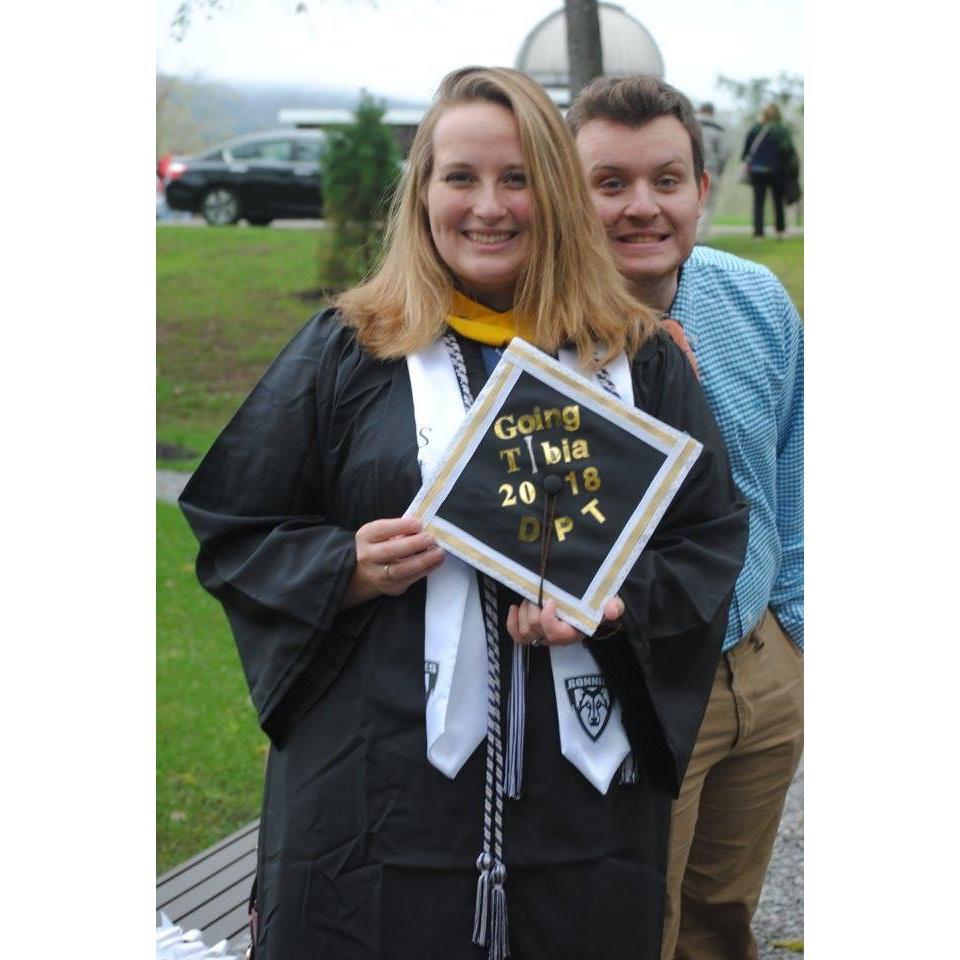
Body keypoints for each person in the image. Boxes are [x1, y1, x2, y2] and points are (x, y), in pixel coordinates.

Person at [180, 66, 748, 960]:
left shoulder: (639, 361)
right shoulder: (350, 348)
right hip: (376, 791)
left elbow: (709, 536)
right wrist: (347, 567)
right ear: (423, 193)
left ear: (555, 194)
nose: (489, 206)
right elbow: (237, 523)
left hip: (583, 800)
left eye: (517, 178)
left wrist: (621, 601)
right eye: (462, 177)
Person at [568, 76, 804, 960]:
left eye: (666, 180)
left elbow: (796, 469)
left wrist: (797, 638)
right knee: (632, 928)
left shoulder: (756, 302)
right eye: (609, 182)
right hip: (628, 687)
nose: (642, 207)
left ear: (702, 190)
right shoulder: (528, 332)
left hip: (762, 665)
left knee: (721, 922)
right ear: (568, 190)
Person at [741, 103, 797, 239]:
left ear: (764, 115)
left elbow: (746, 150)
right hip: (777, 171)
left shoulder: (755, 129)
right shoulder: (782, 131)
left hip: (757, 170)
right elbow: (788, 151)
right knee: (778, 201)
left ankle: (758, 233)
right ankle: (780, 231)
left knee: (758, 202)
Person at [693, 103, 729, 241]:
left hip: (689, 170)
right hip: (711, 170)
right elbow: (724, 153)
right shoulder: (718, 130)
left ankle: (690, 236)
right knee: (707, 204)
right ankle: (699, 237)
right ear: (712, 113)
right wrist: (720, 168)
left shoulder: (687, 126)